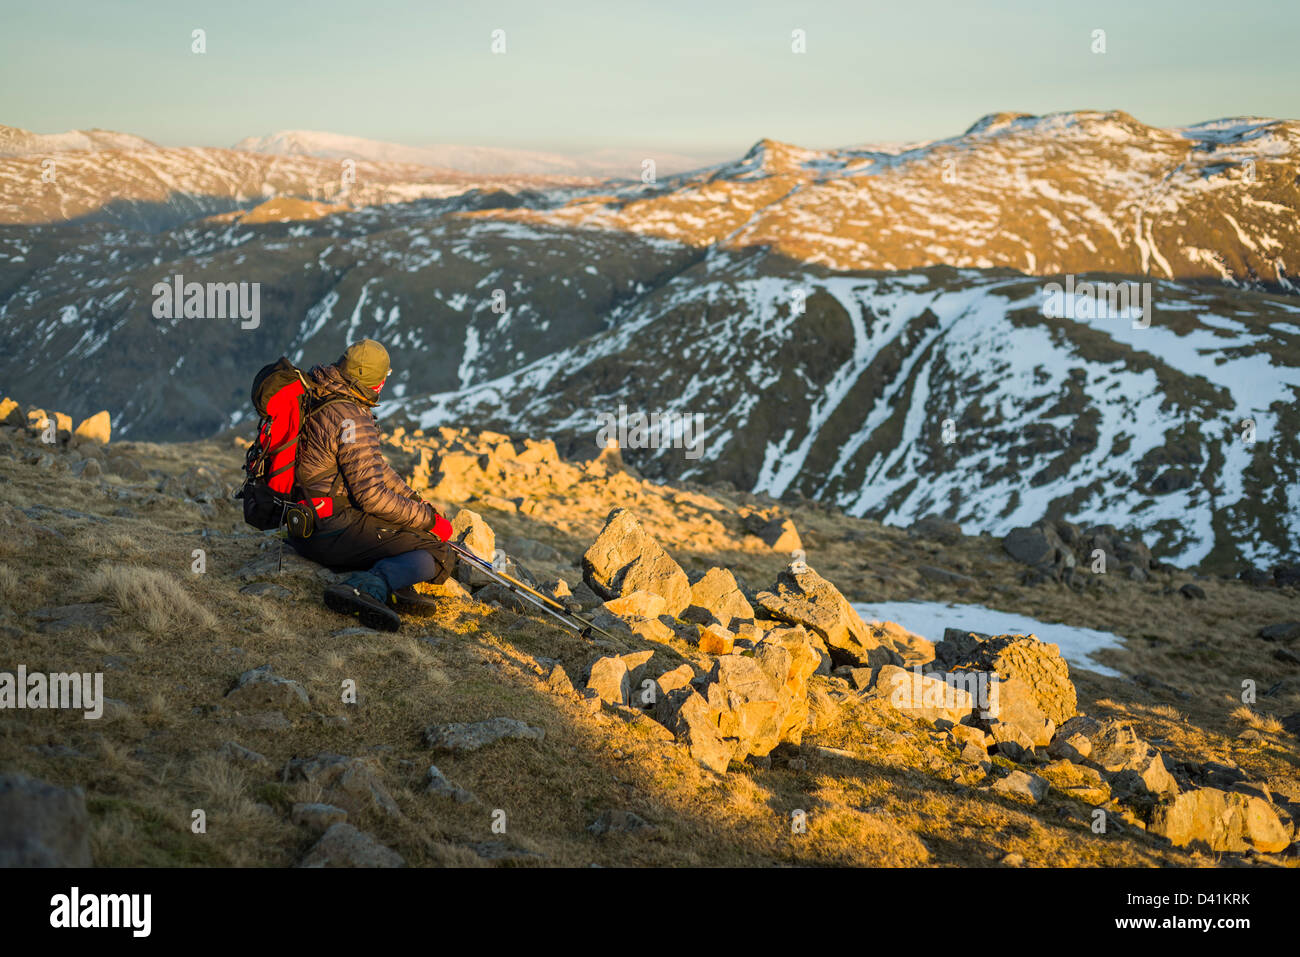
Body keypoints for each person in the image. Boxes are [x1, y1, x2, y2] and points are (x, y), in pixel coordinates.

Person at [290, 338, 455, 631]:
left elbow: (374, 469)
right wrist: (430, 521)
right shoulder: (351, 416)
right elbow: (372, 497)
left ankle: (395, 585)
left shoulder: (320, 394)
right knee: (437, 552)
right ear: (374, 381)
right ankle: (368, 587)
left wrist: (415, 502)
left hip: (303, 522)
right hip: (330, 531)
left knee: (409, 527)